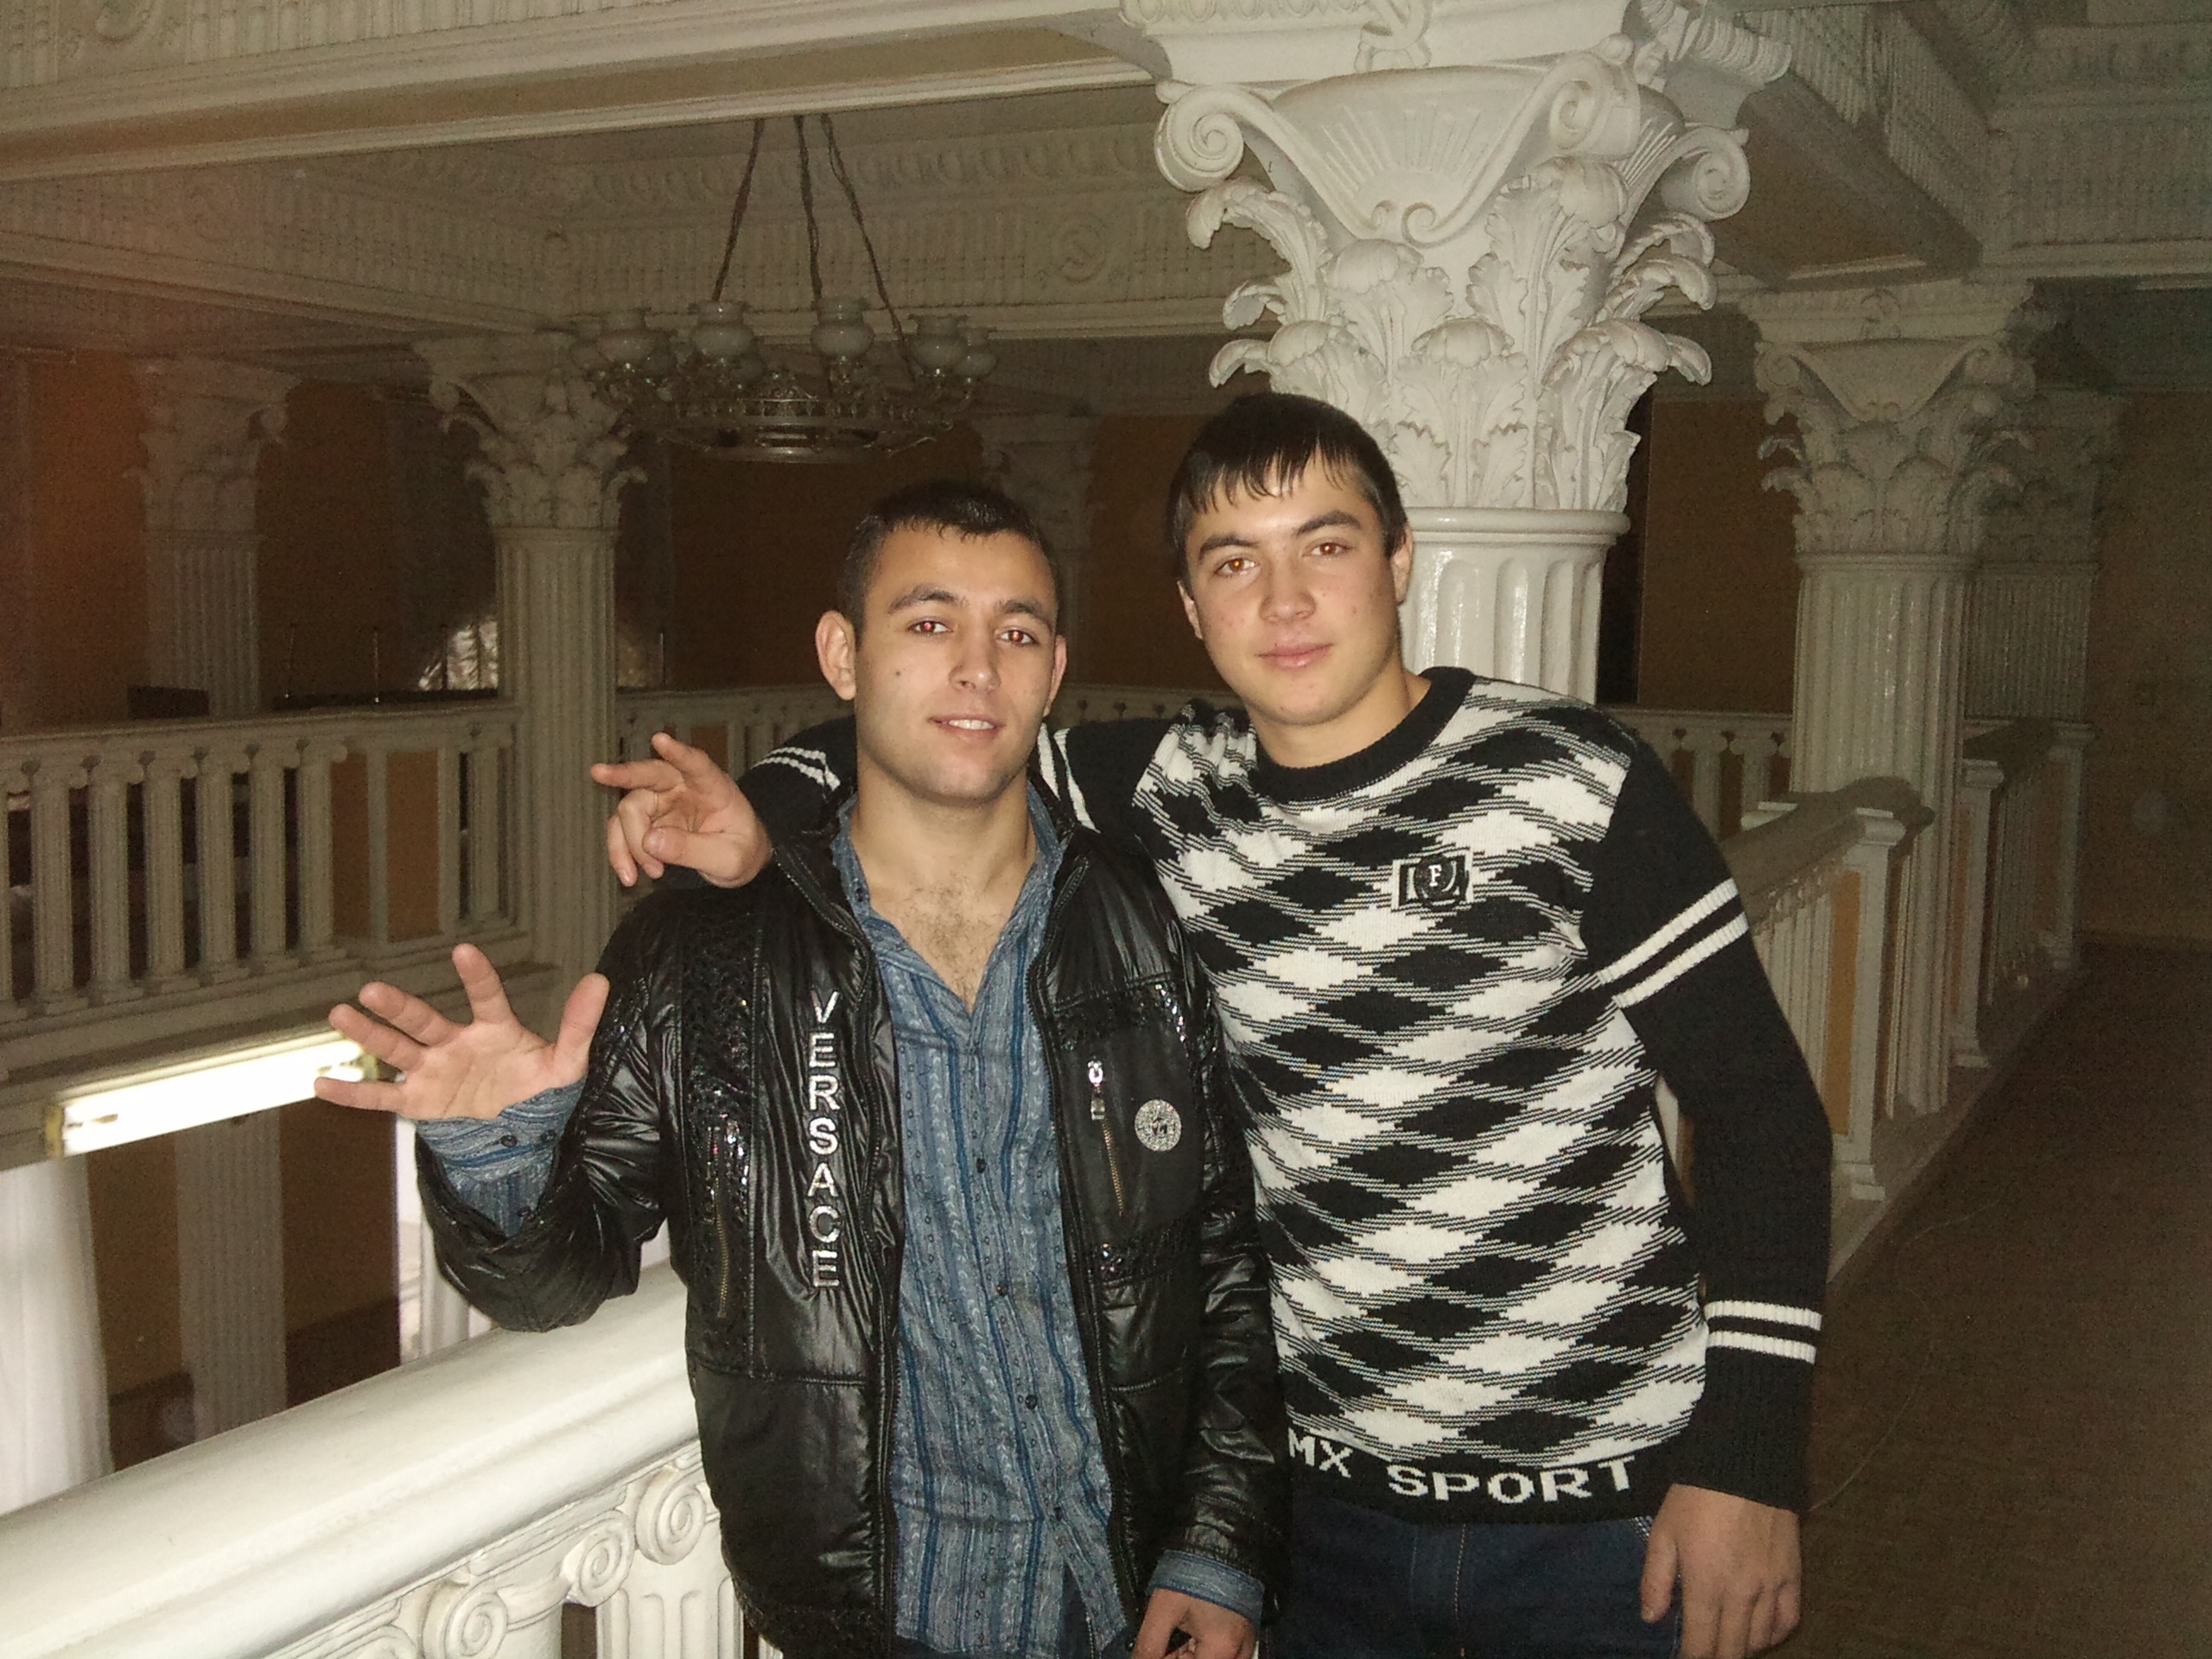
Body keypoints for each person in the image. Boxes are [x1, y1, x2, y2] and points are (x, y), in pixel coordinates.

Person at [598, 394, 1835, 1659]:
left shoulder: (1569, 778)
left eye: (1326, 546)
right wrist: (754, 821)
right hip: (1322, 1526)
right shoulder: (1165, 792)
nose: (1285, 602)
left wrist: (1749, 1457)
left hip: (1608, 1513)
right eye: (1235, 564)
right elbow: (919, 739)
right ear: (1193, 607)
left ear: (1399, 560)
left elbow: (1762, 1113)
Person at [317, 480, 1287, 1659]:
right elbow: (550, 1280)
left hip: (1136, 1603)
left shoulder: (1138, 921)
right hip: (883, 1621)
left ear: (1053, 670)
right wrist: (498, 1149)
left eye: (1017, 632)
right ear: (842, 655)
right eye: (928, 622)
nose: (976, 668)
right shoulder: (706, 958)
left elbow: (1222, 1258)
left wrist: (1218, 1545)